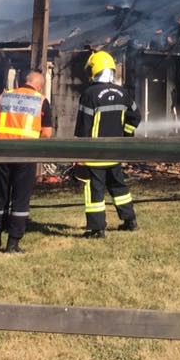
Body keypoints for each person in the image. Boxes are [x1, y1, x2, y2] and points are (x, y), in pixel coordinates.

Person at [73, 50, 141, 238]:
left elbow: (84, 127)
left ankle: (97, 229)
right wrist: (126, 136)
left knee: (95, 191)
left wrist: (79, 153)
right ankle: (130, 220)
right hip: (115, 152)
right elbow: (136, 116)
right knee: (119, 187)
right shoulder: (122, 93)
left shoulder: (89, 94)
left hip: (95, 154)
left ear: (94, 70)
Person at [0, 69, 53, 253]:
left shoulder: (4, 96)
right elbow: (47, 133)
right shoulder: (41, 100)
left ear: (24, 81)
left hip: (1, 153)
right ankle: (13, 244)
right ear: (39, 86)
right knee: (20, 199)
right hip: (26, 154)